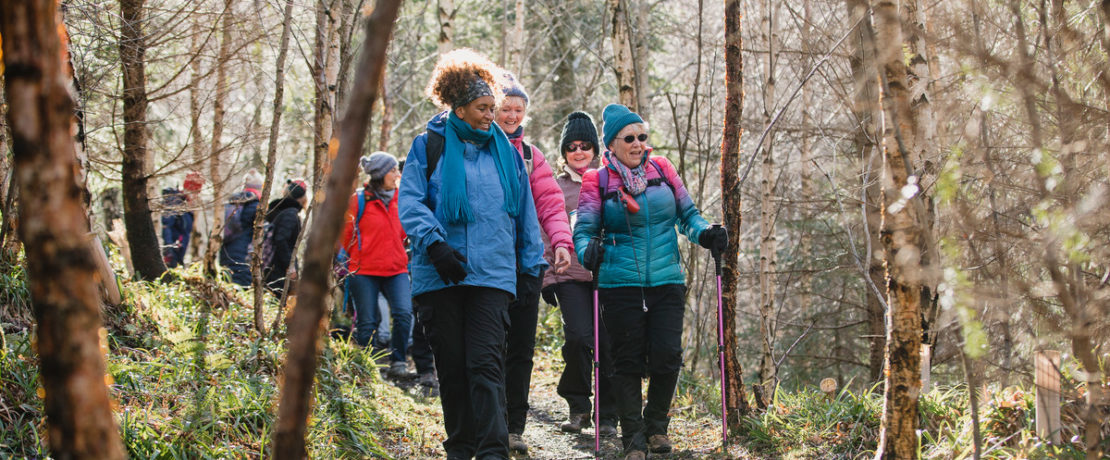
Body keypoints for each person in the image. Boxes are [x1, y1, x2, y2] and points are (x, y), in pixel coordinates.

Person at [399, 49, 546, 460]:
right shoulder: (428, 147)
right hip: (440, 275)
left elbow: (524, 214)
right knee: (454, 369)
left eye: (492, 107)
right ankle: (460, 449)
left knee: (486, 365)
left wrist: (531, 267)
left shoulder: (507, 154)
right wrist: (435, 243)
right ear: (459, 108)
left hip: (493, 276)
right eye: (482, 108)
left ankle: (493, 451)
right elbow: (410, 202)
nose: (490, 116)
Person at [573, 104, 728, 460]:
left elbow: (688, 215)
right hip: (619, 283)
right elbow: (582, 231)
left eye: (643, 136)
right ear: (611, 144)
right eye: (630, 137)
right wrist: (587, 252)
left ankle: (656, 426)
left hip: (666, 280)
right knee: (625, 361)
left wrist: (705, 233)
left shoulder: (663, 169)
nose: (639, 143)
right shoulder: (596, 180)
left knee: (668, 355)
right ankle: (633, 439)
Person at [494, 73, 574, 454]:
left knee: (521, 349)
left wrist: (560, 242)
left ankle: (514, 427)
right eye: (505, 108)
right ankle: (490, 422)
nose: (511, 115)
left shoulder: (531, 155)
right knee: (490, 347)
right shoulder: (478, 149)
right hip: (487, 267)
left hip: (528, 264)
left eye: (518, 109)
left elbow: (551, 205)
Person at [541, 111, 618, 437]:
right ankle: (577, 405)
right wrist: (546, 276)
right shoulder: (555, 187)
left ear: (594, 149)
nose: (578, 152)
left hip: (607, 276)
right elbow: (545, 230)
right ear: (564, 152)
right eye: (571, 146)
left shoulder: (608, 181)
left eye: (585, 145)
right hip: (568, 274)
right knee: (577, 338)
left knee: (608, 345)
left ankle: (608, 416)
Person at [341, 152, 413, 379]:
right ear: (381, 174)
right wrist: (357, 255)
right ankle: (365, 368)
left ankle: (399, 362)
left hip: (396, 269)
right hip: (364, 271)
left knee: (404, 314)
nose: (397, 174)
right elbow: (344, 235)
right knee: (367, 321)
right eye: (392, 171)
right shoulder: (358, 200)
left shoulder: (403, 199)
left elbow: (407, 232)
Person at [263, 179, 307, 298]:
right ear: (302, 197)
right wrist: (290, 265)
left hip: (269, 265)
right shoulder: (290, 215)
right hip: (279, 269)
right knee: (279, 300)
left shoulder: (277, 211)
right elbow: (281, 239)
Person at [220, 169, 263, 287]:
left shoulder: (232, 203)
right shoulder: (256, 207)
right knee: (241, 287)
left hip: (225, 253)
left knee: (227, 285)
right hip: (244, 257)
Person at [161, 187, 195, 268]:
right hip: (176, 241)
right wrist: (169, 247)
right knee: (173, 263)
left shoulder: (182, 202)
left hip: (180, 239)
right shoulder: (173, 202)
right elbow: (167, 226)